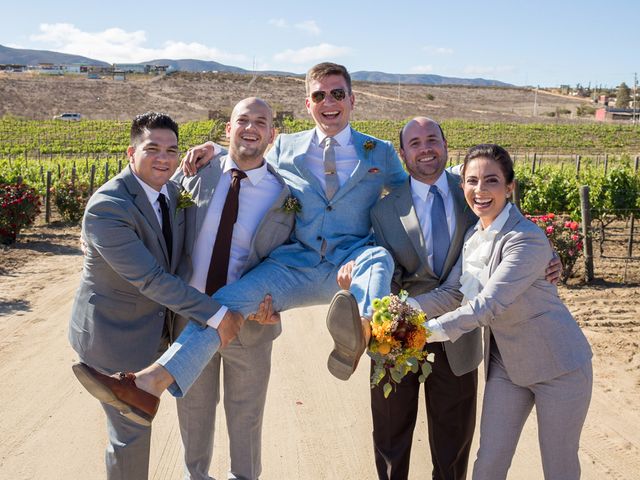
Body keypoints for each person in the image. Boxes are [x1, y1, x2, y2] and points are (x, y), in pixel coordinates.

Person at [101, 62, 407, 411]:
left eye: (337, 93)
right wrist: (213, 150)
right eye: (319, 95)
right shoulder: (285, 147)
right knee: (225, 302)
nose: (329, 102)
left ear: (352, 99)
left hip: (352, 262)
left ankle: (364, 332)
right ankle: (150, 382)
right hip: (295, 266)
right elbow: (246, 154)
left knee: (378, 258)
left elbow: (409, 197)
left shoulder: (379, 151)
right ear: (308, 104)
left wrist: (465, 193)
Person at [338, 118, 562, 480]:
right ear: (403, 153)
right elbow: (385, 270)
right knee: (390, 437)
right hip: (396, 334)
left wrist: (549, 255)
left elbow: (513, 224)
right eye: (414, 143)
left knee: (453, 444)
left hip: (461, 334)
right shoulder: (383, 210)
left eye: (432, 139)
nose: (425, 148)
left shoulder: (473, 192)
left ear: (445, 145)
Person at [68, 112, 244, 479]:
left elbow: (252, 159)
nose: (163, 158)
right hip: (114, 334)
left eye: (171, 150)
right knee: (130, 434)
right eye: (152, 149)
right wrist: (217, 314)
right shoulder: (108, 207)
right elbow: (150, 278)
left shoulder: (175, 192)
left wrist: (215, 147)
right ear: (130, 152)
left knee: (135, 429)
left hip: (157, 329)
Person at [421, 144, 592, 480]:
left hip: (559, 368)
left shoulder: (525, 239)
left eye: (492, 181)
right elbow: (453, 292)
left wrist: (421, 332)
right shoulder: (474, 235)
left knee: (558, 469)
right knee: (488, 467)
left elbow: (488, 304)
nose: (480, 190)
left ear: (509, 186)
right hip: (506, 367)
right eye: (472, 181)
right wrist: (401, 311)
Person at [172, 97, 294, 480]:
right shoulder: (197, 172)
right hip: (192, 316)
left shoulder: (284, 195)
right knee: (193, 416)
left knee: (246, 420)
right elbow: (157, 207)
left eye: (261, 121)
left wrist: (279, 303)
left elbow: (291, 261)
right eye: (242, 120)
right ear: (228, 130)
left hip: (250, 325)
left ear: (272, 135)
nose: (250, 127)